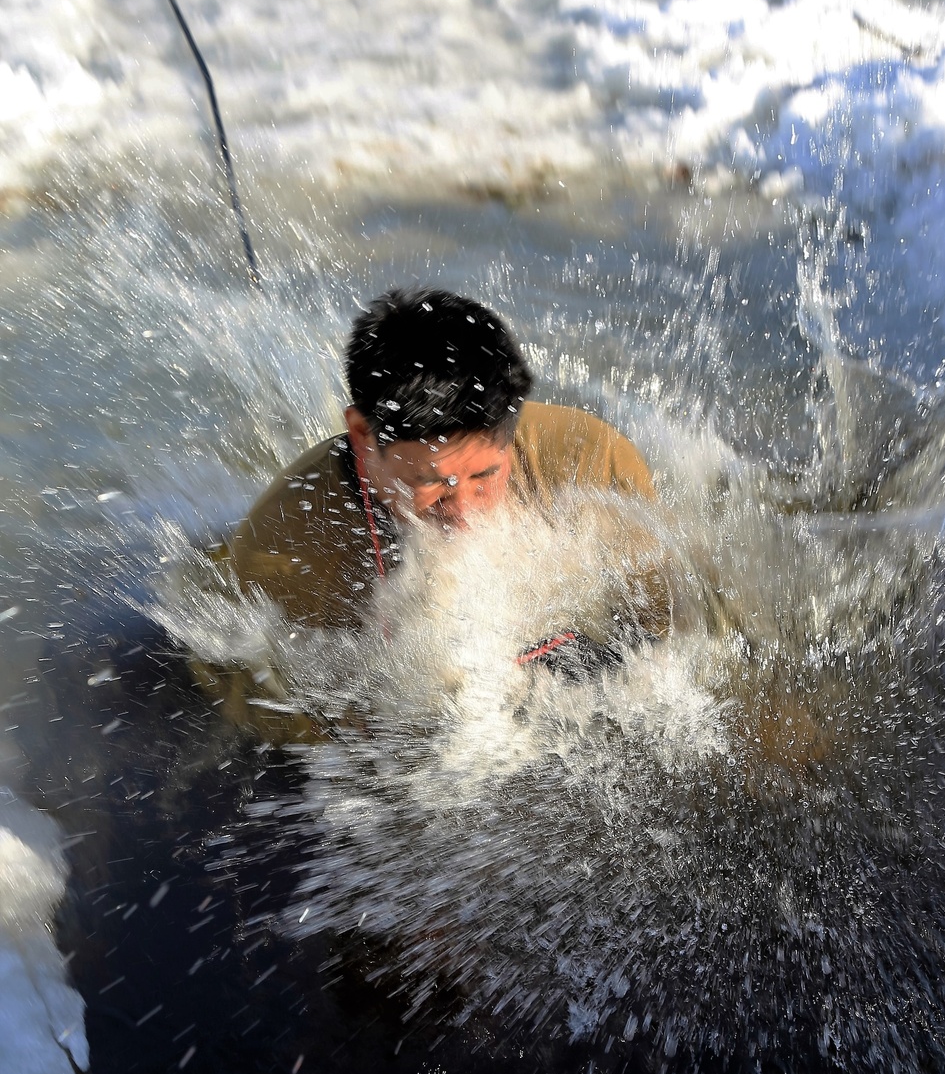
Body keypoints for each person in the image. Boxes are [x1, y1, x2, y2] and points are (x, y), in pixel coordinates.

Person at [192, 287, 675, 742]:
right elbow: (294, 720)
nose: (464, 513)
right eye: (432, 485)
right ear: (362, 435)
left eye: (485, 475)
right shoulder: (285, 549)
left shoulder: (591, 464)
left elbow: (674, 640)